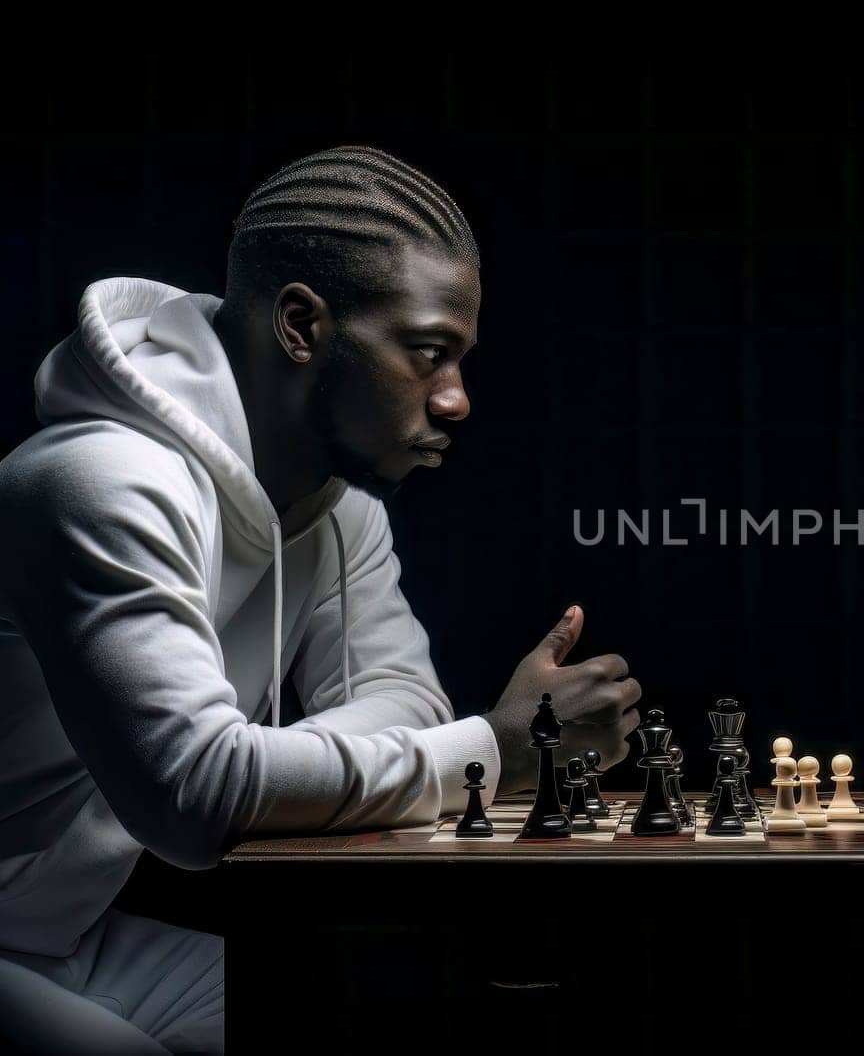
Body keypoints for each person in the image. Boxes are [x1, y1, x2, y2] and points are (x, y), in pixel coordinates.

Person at [0, 146, 641, 1051]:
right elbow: (196, 806)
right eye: (428, 353)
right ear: (302, 325)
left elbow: (408, 705)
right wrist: (497, 747)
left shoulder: (344, 511)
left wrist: (256, 767)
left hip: (65, 942)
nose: (457, 400)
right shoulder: (97, 483)